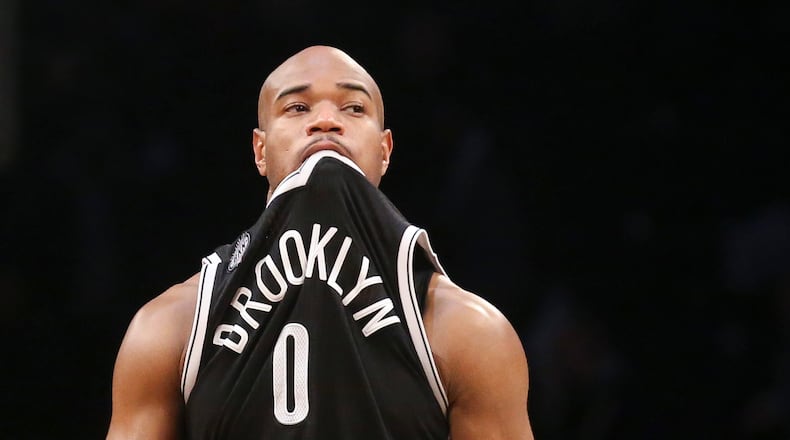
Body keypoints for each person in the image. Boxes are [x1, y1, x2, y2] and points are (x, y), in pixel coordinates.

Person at [106, 45, 535, 439]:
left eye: (353, 108)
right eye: (297, 107)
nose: (326, 121)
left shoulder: (468, 332)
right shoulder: (172, 327)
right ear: (260, 150)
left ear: (385, 151)